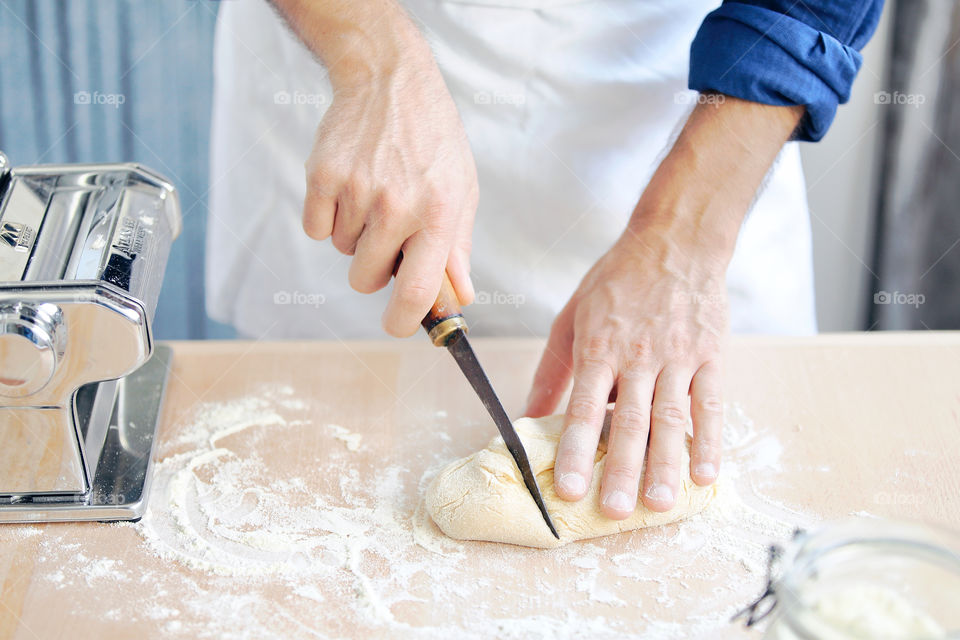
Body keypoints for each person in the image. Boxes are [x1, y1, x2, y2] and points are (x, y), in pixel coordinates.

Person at [207, 0, 883, 520]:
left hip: (693, 101)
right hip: (345, 58)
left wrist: (681, 235)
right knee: (313, 461)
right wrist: (376, 66)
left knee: (712, 470)